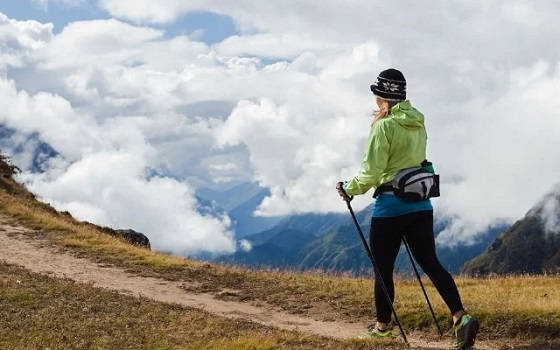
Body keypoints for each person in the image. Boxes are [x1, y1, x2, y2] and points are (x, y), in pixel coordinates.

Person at [336, 68, 479, 350]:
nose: (375, 98)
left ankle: (382, 328)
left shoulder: (383, 126)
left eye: (377, 93)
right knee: (431, 263)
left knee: (383, 269)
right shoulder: (418, 123)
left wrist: (348, 189)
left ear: (383, 96)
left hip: (390, 207)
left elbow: (373, 172)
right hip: (420, 204)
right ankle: (460, 317)